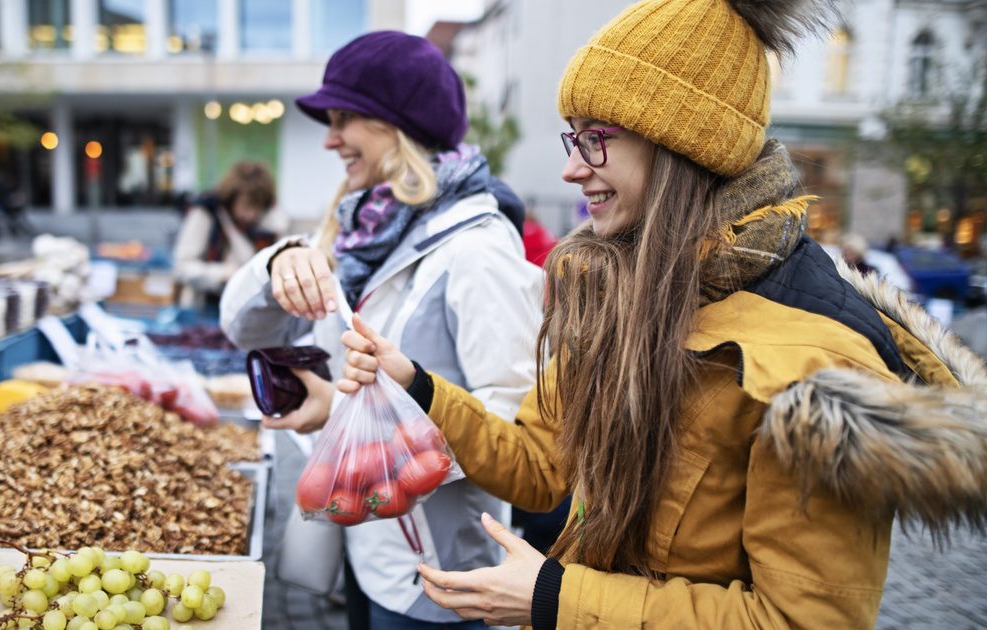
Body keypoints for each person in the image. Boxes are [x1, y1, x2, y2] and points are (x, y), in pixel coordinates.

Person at [335, 1, 987, 628]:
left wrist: (556, 599)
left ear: (679, 145)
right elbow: (539, 464)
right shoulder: (623, 296)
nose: (569, 168)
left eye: (595, 141)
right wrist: (414, 381)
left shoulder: (817, 367)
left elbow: (805, 619)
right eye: (573, 138)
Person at [219, 31, 542, 629]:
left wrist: (356, 435)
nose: (329, 138)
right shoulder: (360, 234)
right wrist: (275, 264)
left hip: (443, 579)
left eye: (346, 118)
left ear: (400, 124)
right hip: (369, 555)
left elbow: (516, 432)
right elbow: (242, 328)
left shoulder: (478, 252)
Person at [173, 161, 282, 312]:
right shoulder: (206, 214)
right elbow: (182, 268)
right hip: (206, 307)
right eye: (246, 206)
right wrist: (223, 273)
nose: (252, 215)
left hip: (247, 309)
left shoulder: (266, 225)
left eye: (258, 207)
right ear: (231, 197)